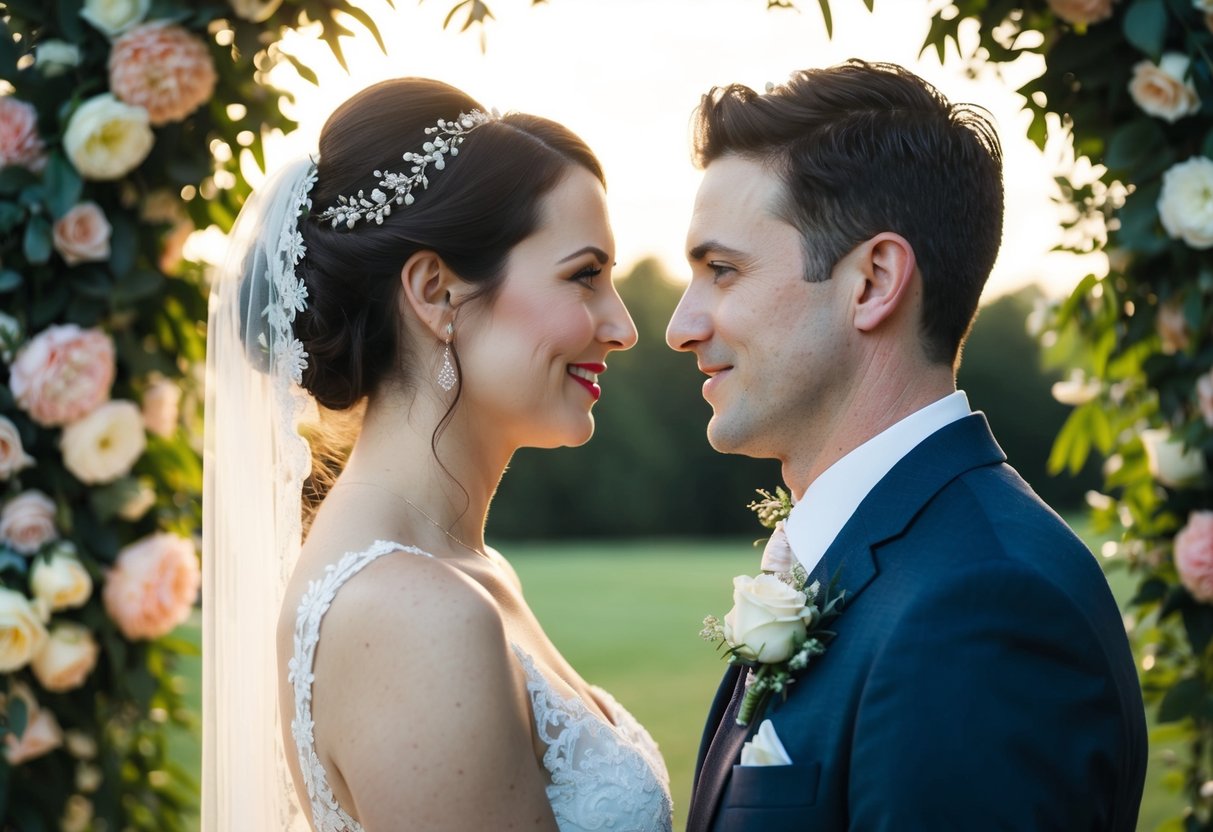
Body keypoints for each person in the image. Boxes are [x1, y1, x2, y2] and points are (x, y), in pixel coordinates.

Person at [668, 60, 1147, 832]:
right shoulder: (892, 560)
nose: (680, 327)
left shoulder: (981, 611)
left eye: (722, 271)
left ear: (873, 282)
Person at [202, 78, 673, 832]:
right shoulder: (410, 613)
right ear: (436, 293)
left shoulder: (463, 571)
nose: (621, 326)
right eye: (583, 275)